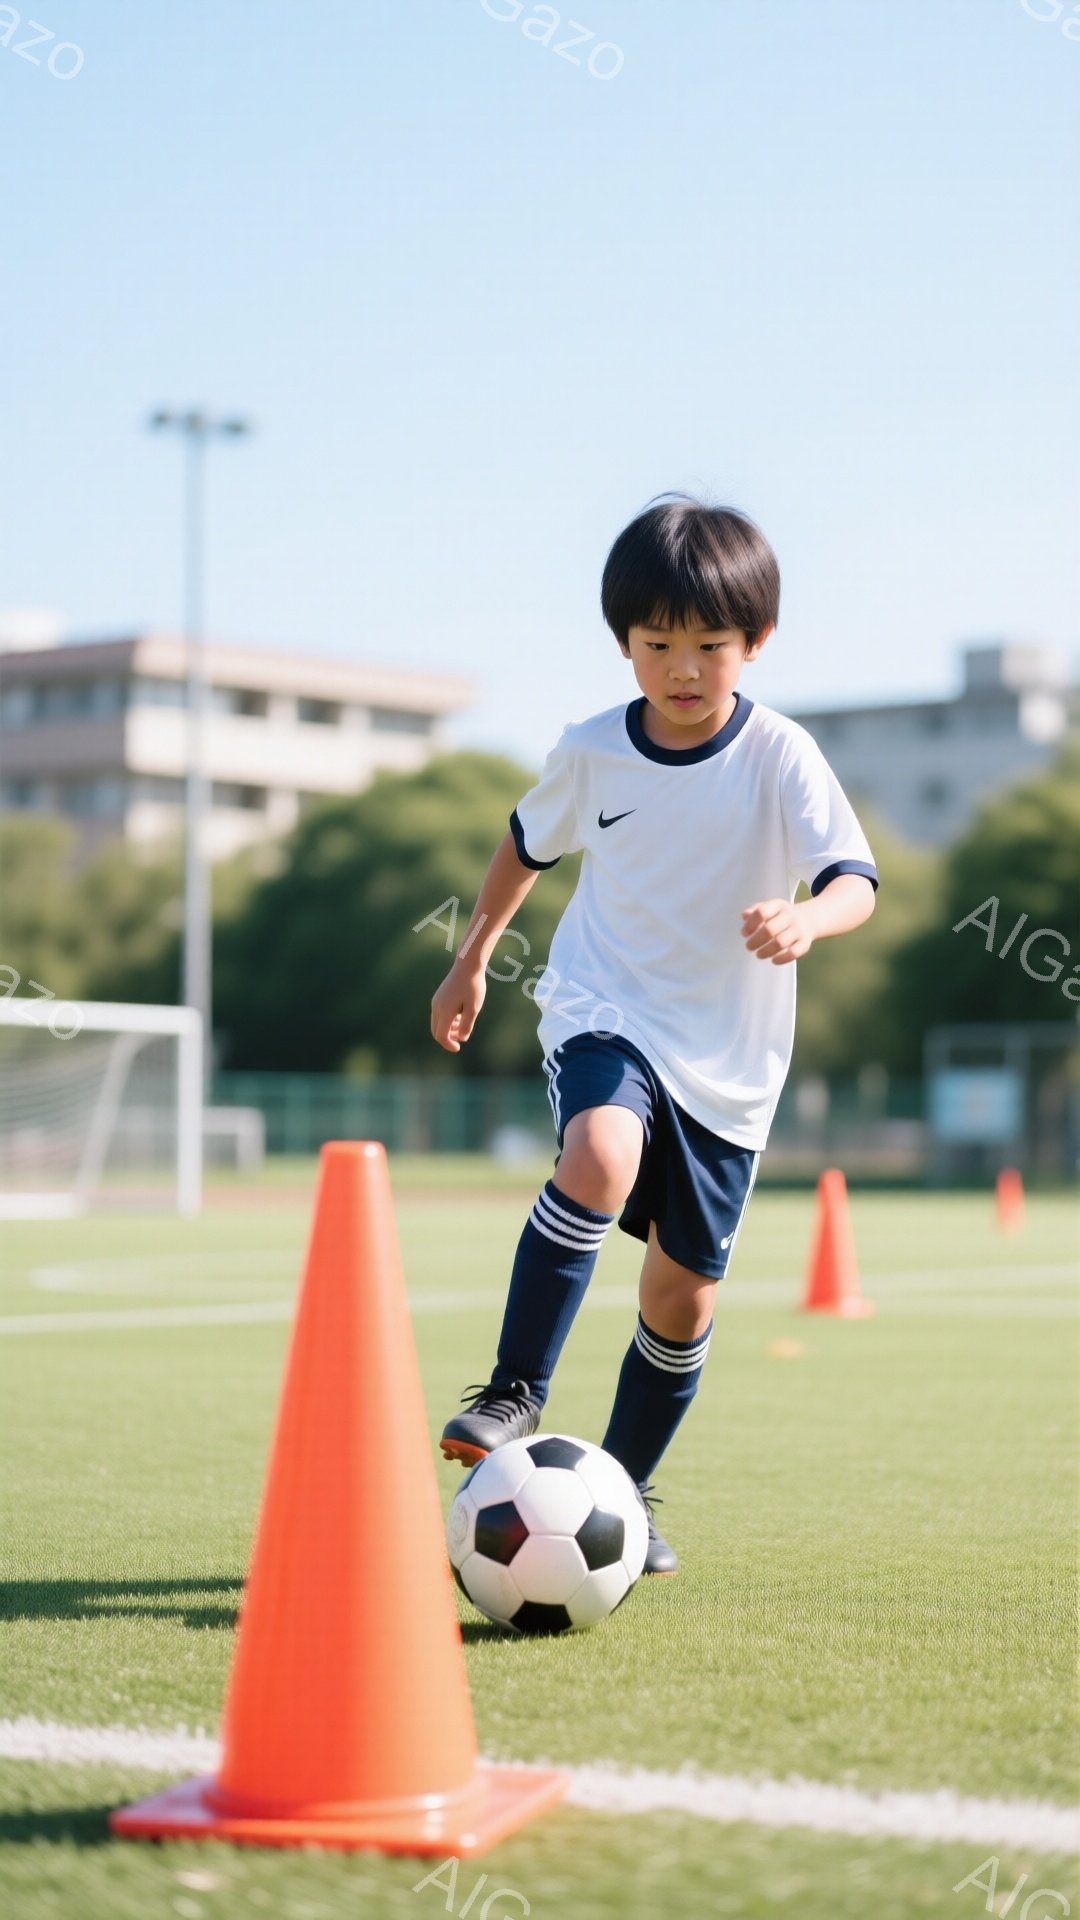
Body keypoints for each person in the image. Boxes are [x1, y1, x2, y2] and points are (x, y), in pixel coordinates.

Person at [429, 495, 878, 1573]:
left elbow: (854, 880)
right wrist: (473, 955)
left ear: (755, 643)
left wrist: (807, 917)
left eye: (708, 645)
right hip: (605, 1009)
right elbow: (523, 849)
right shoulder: (592, 750)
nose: (682, 668)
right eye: (656, 645)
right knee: (598, 1153)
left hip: (730, 1064)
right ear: (624, 643)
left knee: (682, 1296)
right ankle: (511, 1391)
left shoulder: (780, 754)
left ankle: (620, 1501)